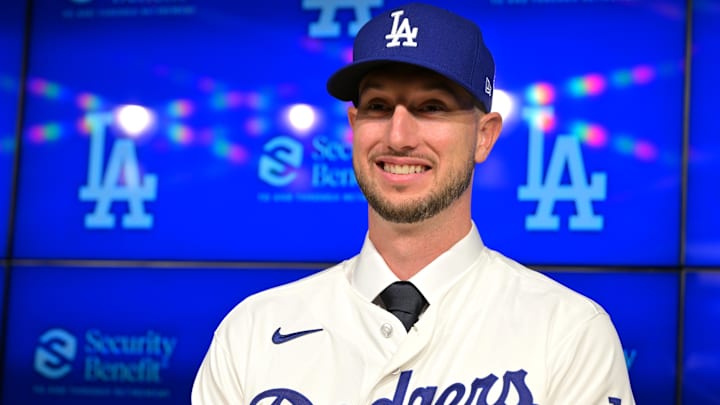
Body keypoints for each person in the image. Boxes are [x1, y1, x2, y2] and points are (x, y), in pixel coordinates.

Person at [192, 3, 636, 404]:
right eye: (379, 106)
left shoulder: (569, 334)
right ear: (353, 125)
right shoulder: (250, 332)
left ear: (484, 135)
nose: (398, 136)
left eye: (432, 107)